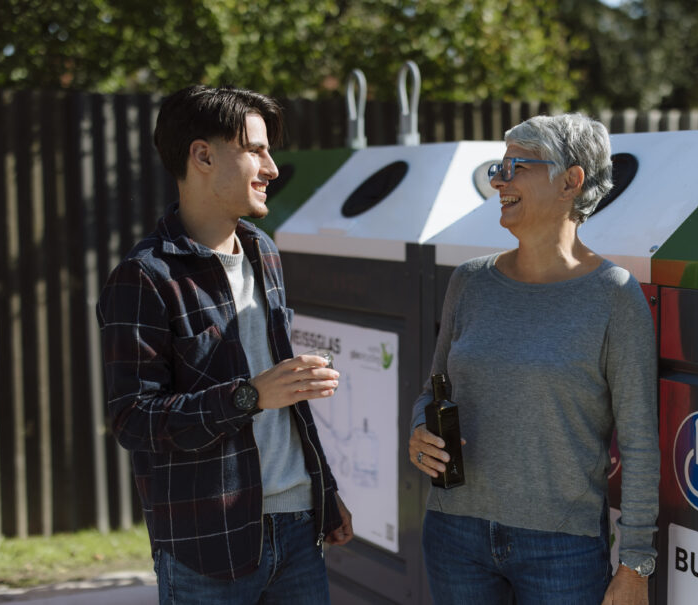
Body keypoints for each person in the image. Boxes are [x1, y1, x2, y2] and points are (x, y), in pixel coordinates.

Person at [97, 84, 353, 605]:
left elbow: (286, 401)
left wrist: (324, 490)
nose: (272, 167)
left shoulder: (265, 252)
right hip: (206, 546)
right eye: (256, 150)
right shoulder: (144, 277)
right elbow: (133, 419)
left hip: (301, 528)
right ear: (203, 155)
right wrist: (248, 396)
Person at [408, 113, 658, 605]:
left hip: (561, 549)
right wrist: (421, 431)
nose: (500, 180)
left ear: (571, 180)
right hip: (454, 533)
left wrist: (635, 563)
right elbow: (431, 391)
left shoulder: (615, 296)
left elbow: (639, 441)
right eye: (497, 169)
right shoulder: (469, 282)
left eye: (516, 166)